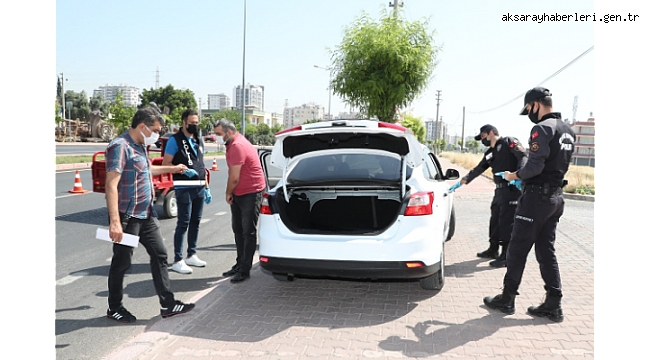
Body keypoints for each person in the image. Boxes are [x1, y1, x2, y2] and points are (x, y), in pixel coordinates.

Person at [483, 87, 575, 323]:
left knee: (517, 248)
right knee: (546, 251)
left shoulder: (542, 128)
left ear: (535, 104)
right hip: (555, 199)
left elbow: (534, 167)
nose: (529, 115)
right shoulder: (568, 131)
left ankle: (507, 298)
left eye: (528, 109)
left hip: (535, 199)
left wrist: (514, 175)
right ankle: (553, 304)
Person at [105, 106, 195, 323]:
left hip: (147, 213)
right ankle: (114, 307)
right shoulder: (120, 146)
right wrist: (115, 222)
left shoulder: (141, 146)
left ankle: (168, 303)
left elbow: (145, 170)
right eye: (155, 130)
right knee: (122, 262)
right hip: (128, 216)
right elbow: (111, 184)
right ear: (143, 127)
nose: (158, 134)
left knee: (160, 255)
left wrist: (172, 169)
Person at [449, 124, 527, 268]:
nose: (482, 140)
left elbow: (522, 155)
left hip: (512, 189)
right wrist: (463, 181)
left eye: (483, 136)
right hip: (499, 191)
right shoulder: (490, 153)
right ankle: (493, 250)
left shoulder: (508, 141)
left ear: (491, 133)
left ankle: (506, 256)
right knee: (495, 221)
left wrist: (520, 175)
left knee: (506, 222)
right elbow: (479, 168)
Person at [213, 118, 266, 283]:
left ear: (229, 132)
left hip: (251, 192)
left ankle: (244, 270)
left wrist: (228, 192)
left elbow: (234, 178)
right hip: (240, 192)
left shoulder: (237, 146)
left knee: (247, 231)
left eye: (219, 134)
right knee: (237, 229)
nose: (217, 137)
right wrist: (233, 193)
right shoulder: (232, 143)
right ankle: (239, 264)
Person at [162, 109, 212, 274]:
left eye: (197, 123)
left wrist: (206, 187)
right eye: (192, 122)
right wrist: (181, 170)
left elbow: (201, 164)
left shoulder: (198, 140)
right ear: (184, 123)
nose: (194, 125)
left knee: (195, 222)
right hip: (184, 187)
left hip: (199, 188)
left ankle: (192, 254)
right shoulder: (174, 141)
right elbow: (165, 164)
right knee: (183, 222)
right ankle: (177, 259)